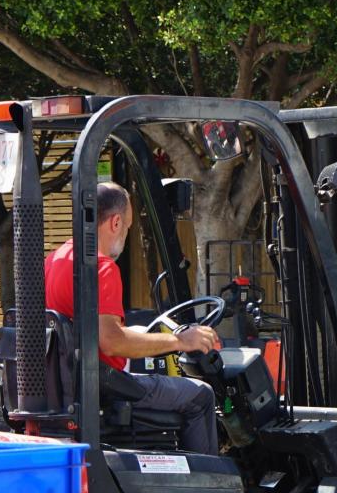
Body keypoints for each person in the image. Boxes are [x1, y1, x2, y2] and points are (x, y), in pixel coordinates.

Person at [45, 182, 222, 455]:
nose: (126, 234)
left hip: (67, 386)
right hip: (103, 387)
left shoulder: (52, 261)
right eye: (128, 226)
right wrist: (180, 341)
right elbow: (112, 342)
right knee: (200, 396)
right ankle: (211, 485)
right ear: (115, 222)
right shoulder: (101, 268)